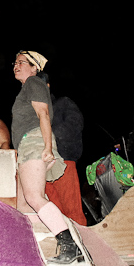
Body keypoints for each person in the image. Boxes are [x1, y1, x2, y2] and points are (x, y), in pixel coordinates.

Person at [12, 50, 81, 264]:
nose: (16, 65)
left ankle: (70, 245)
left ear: (34, 68)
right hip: (25, 146)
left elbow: (44, 114)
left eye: (21, 62)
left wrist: (48, 147)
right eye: (15, 62)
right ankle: (38, 248)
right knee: (23, 206)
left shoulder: (34, 82)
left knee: (34, 197)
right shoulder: (26, 88)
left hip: (34, 141)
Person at [38, 73, 87, 226]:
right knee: (53, 212)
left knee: (72, 211)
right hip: (40, 167)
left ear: (47, 86)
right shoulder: (31, 114)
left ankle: (83, 245)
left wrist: (49, 135)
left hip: (64, 161)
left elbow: (75, 124)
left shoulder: (63, 103)